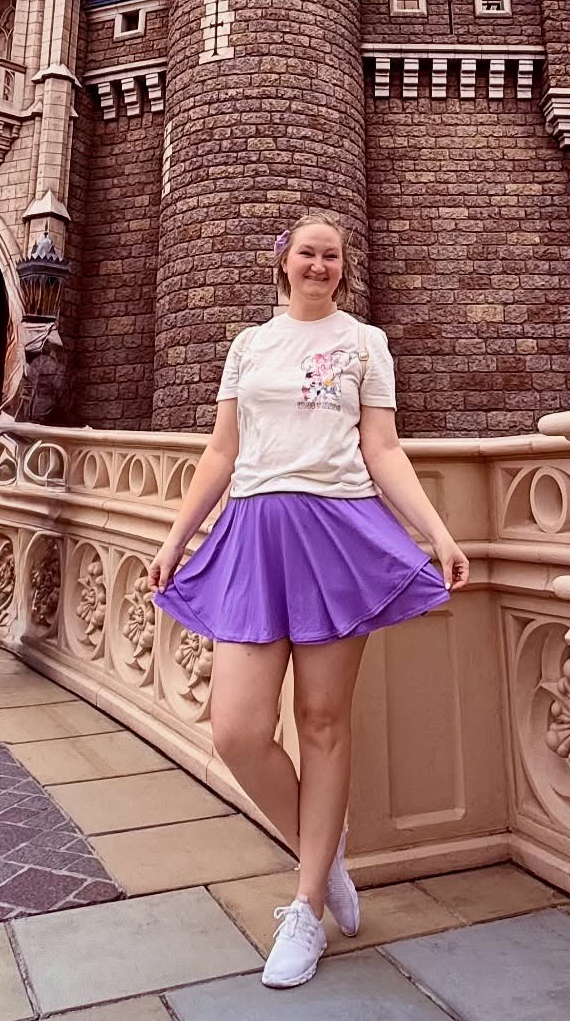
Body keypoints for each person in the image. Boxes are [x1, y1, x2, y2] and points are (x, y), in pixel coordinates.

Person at [149, 213, 470, 991]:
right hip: (256, 533)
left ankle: (305, 908)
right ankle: (322, 857)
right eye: (307, 253)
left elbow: (381, 448)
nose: (319, 265)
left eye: (331, 255)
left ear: (342, 268)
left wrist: (436, 532)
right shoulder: (249, 346)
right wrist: (175, 538)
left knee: (323, 721)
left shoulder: (365, 344)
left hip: (336, 532)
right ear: (283, 263)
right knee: (237, 730)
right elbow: (222, 451)